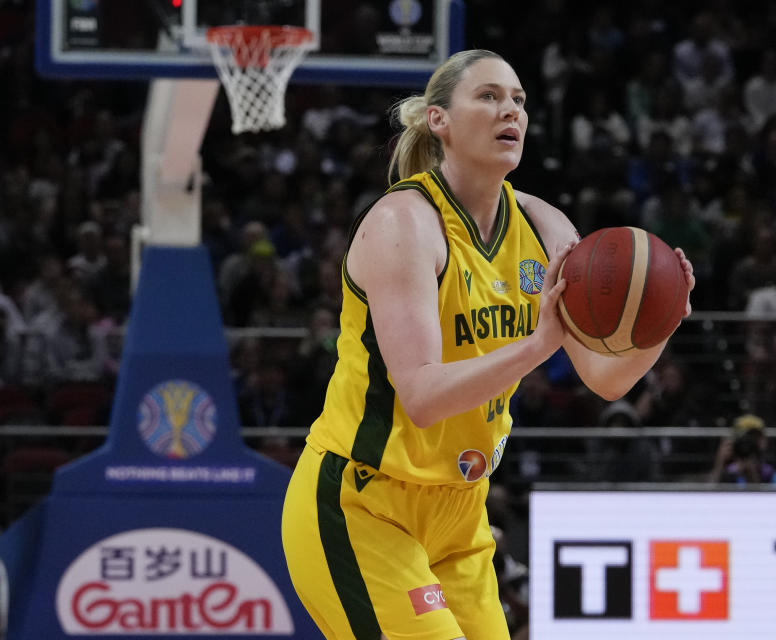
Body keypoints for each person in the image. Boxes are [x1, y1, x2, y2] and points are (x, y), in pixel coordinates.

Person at [280, 49, 695, 640]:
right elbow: (421, 395)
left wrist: (662, 320)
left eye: (520, 100)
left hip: (460, 512)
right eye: (490, 96)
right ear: (438, 120)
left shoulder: (548, 228)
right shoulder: (405, 223)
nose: (512, 111)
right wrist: (537, 344)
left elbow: (608, 379)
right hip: (363, 501)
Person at [709, 413, 776, 485]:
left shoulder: (774, 477)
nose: (747, 446)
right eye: (744, 439)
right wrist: (719, 465)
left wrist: (753, 476)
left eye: (754, 438)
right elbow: (709, 497)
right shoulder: (728, 475)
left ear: (764, 441)